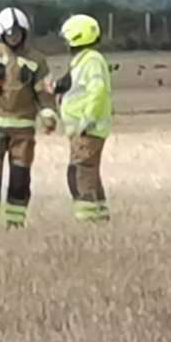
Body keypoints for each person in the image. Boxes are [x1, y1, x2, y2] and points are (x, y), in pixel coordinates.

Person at [0, 7, 58, 229]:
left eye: (18, 33)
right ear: (1, 34)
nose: (14, 38)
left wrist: (48, 115)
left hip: (23, 130)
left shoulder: (36, 60)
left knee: (20, 179)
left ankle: (15, 223)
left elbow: (44, 93)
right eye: (10, 34)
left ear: (25, 33)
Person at [55, 13, 114, 224]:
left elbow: (97, 91)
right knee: (90, 173)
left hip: (87, 129)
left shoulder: (91, 61)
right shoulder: (84, 61)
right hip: (83, 130)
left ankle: (88, 221)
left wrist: (87, 120)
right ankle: (101, 217)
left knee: (80, 173)